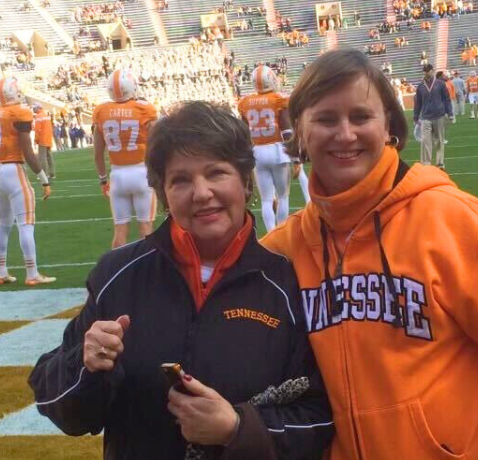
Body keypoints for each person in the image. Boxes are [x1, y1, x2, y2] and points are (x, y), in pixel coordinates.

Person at [262, 49, 478, 460]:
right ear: (299, 131)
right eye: (325, 119)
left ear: (390, 125)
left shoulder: (445, 216)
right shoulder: (285, 249)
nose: (344, 134)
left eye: (361, 117)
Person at [29, 101, 334, 460]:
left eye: (216, 172)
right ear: (163, 194)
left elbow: (319, 421)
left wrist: (238, 429)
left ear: (245, 181)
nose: (201, 193)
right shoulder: (118, 276)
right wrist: (86, 366)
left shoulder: (285, 285)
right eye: (181, 179)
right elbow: (60, 406)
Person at [0, 77, 56, 286]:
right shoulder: (20, 112)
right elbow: (27, 150)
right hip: (13, 169)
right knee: (25, 225)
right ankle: (32, 273)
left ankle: (0, 271)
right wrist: (44, 179)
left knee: (3, 225)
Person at [93, 69, 159, 249]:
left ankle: (118, 271)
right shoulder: (144, 108)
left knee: (120, 230)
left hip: (117, 176)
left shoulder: (101, 111)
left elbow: (98, 153)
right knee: (146, 227)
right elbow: (159, 144)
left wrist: (102, 179)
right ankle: (146, 271)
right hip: (141, 173)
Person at [237, 65, 296, 231]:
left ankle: (271, 233)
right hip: (277, 150)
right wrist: (296, 157)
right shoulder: (278, 99)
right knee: (283, 196)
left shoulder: (245, 102)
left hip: (257, 152)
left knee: (266, 199)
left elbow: (244, 132)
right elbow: (285, 129)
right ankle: (282, 231)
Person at [413, 64, 452, 169]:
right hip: (425, 117)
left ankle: (440, 162)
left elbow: (446, 99)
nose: (426, 73)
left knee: (439, 140)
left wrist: (450, 113)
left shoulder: (440, 84)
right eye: (424, 71)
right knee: (425, 140)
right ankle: (426, 164)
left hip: (439, 115)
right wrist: (415, 116)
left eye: (428, 71)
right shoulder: (421, 86)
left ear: (432, 71)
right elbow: (418, 103)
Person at [33, 102, 55, 180]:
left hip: (42, 139)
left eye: (34, 108)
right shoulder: (46, 115)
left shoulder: (38, 117)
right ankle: (52, 173)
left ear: (39, 108)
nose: (33, 109)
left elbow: (37, 130)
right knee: (49, 157)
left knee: (42, 158)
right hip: (48, 139)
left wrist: (36, 140)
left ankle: (44, 174)